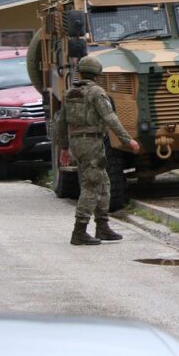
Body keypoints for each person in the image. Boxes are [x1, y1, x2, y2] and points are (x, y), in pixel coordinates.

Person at [55, 55, 140, 245]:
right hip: (92, 143)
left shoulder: (70, 93)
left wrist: (64, 148)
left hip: (77, 143)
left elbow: (61, 123)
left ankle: (102, 226)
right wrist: (128, 140)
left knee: (103, 183)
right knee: (92, 186)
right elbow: (110, 118)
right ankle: (79, 231)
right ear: (97, 74)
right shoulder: (97, 92)